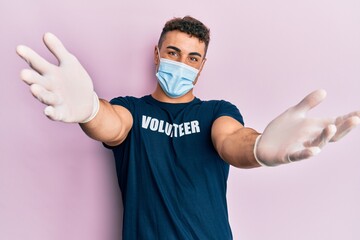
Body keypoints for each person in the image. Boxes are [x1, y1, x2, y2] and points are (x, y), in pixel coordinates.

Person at [16, 16, 360, 239]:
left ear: (202, 65)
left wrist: (258, 148)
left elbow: (231, 140)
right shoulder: (131, 109)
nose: (181, 64)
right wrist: (90, 110)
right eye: (173, 53)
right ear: (157, 54)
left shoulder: (217, 112)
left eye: (192, 58)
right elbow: (112, 125)